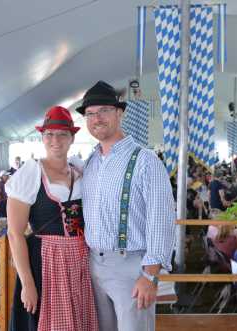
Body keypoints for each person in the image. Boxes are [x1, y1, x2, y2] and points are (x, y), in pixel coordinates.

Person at [76, 81, 176, 331]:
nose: (96, 119)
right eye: (90, 114)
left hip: (131, 267)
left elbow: (161, 220)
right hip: (93, 265)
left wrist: (150, 275)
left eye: (104, 111)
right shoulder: (89, 162)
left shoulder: (146, 161)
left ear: (120, 113)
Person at [6, 106, 98, 331]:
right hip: (46, 261)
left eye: (62, 134)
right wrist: (27, 283)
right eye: (49, 134)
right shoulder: (31, 173)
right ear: (42, 137)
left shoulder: (80, 170)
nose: (55, 140)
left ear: (72, 138)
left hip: (80, 258)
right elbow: (14, 233)